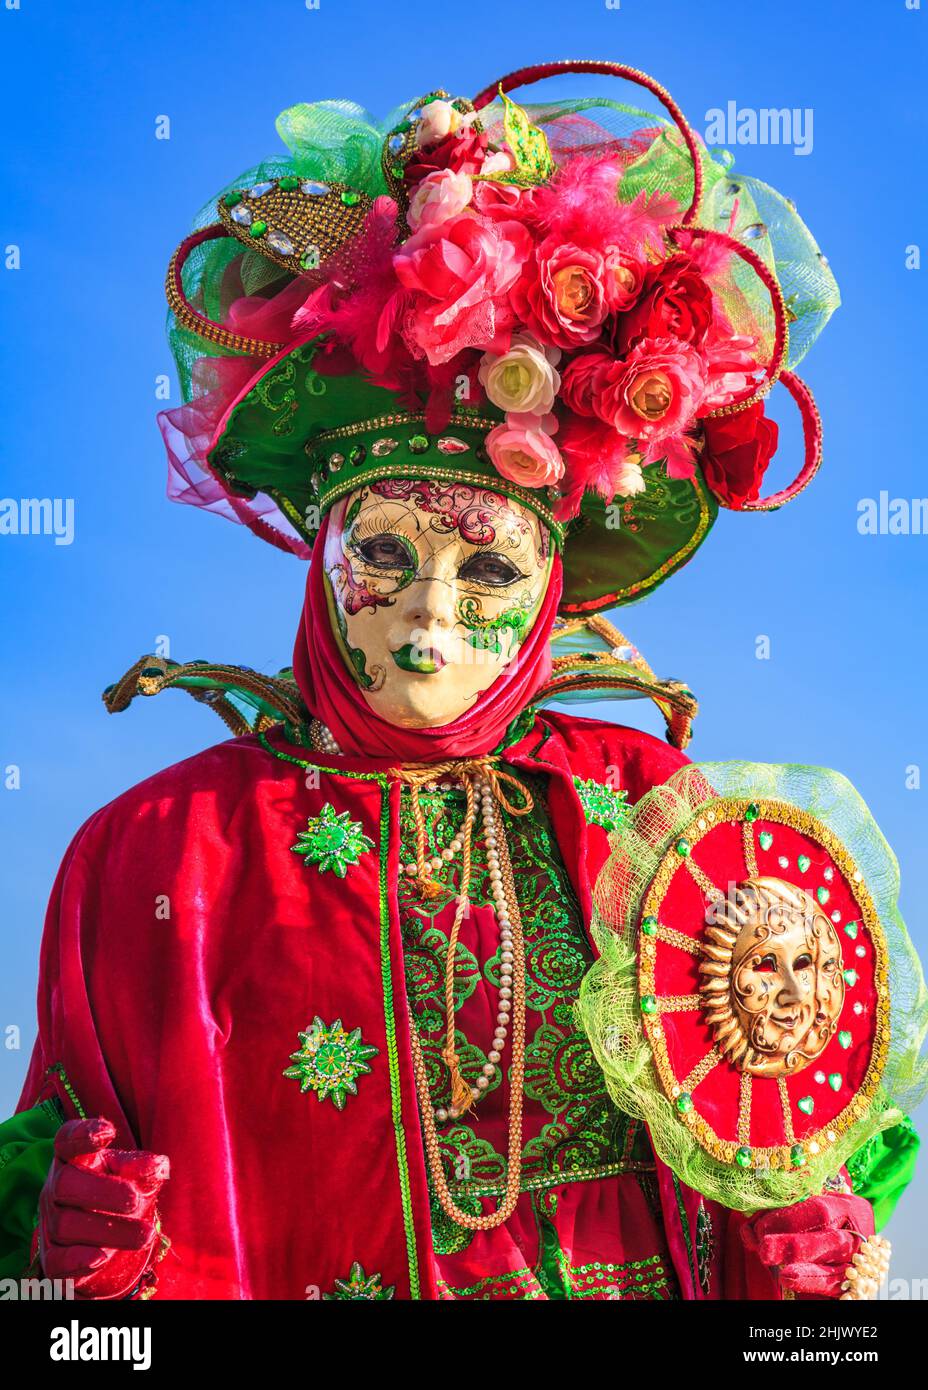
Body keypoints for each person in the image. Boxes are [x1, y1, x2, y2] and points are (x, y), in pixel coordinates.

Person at [1, 61, 919, 1301]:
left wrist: (805, 1258)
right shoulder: (160, 855)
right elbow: (62, 1224)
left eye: (486, 568)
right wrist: (71, 1285)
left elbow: (786, 1113)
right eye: (385, 553)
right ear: (320, 559)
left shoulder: (658, 816)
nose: (433, 610)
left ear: (550, 588)